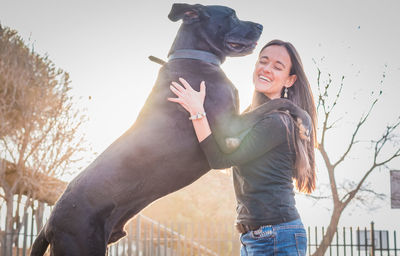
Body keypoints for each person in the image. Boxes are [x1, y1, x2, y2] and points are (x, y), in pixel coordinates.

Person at [168, 39, 317, 256]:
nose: (266, 69)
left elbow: (220, 160)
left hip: (276, 237)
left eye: (278, 67)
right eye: (263, 61)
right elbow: (223, 141)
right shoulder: (252, 116)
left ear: (290, 79)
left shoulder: (278, 122)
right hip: (255, 238)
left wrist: (197, 112)